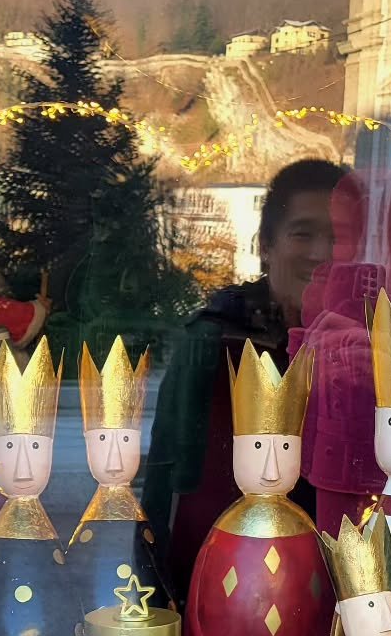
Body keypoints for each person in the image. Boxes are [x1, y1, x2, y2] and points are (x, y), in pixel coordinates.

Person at [144, 158, 340, 594]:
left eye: (338, 238)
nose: (321, 253)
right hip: (221, 586)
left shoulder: (365, 345)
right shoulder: (215, 340)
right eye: (303, 232)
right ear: (266, 245)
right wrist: (159, 598)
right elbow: (166, 485)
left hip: (337, 593)